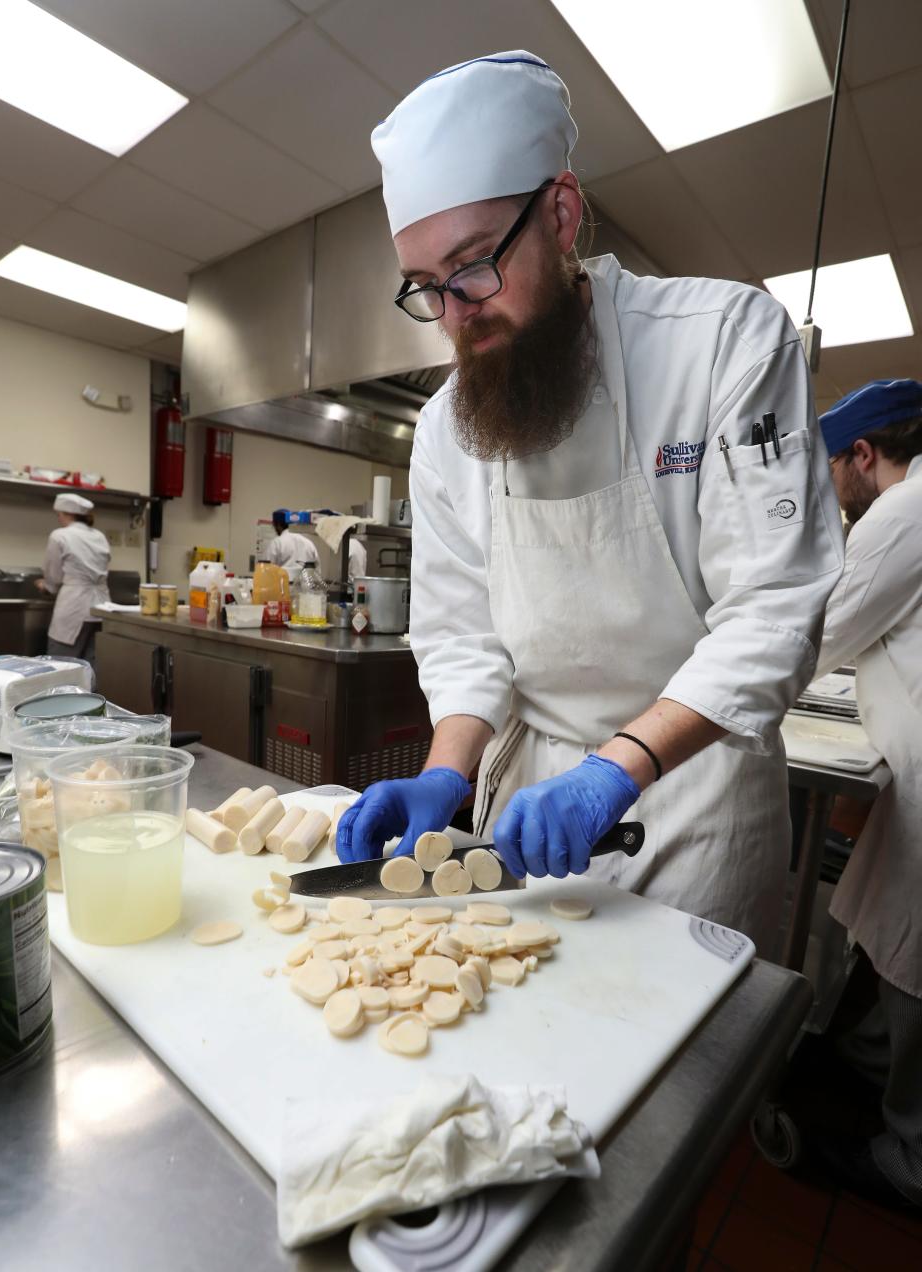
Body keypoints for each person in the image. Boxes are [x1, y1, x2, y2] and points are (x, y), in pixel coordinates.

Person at [336, 50, 844, 956]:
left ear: (561, 214)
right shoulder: (448, 427)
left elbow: (774, 606)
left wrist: (618, 768)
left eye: (475, 269)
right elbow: (461, 636)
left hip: (698, 798)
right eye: (427, 288)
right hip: (526, 802)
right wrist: (446, 772)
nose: (457, 315)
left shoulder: (724, 342)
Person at [810, 378, 922, 1209]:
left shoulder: (901, 512)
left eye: (833, 472)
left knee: (911, 948)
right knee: (895, 936)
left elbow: (817, 637)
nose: (834, 492)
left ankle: (907, 1159)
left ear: (862, 455)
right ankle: (866, 1066)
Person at [35, 492, 110, 666]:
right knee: (91, 667)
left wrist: (45, 585)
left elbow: (53, 577)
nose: (59, 519)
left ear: (68, 514)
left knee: (61, 666)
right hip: (101, 606)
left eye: (59, 515)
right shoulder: (99, 536)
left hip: (73, 607)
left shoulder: (60, 535)